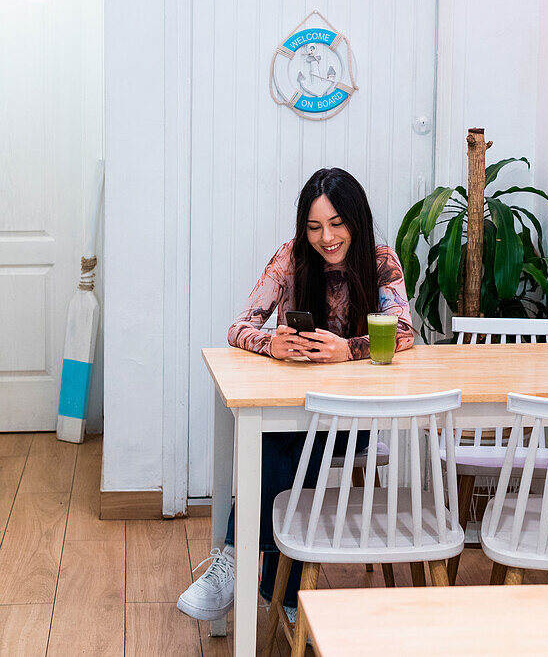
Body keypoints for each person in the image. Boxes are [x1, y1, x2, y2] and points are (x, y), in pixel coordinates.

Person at [177, 167, 414, 623]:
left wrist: (349, 349)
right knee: (280, 435)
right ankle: (277, 587)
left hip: (352, 421)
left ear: (357, 221)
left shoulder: (381, 261)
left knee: (278, 443)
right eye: (314, 227)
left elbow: (404, 331)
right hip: (297, 414)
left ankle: (241, 564)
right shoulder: (290, 258)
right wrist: (272, 342)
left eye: (336, 224)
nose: (326, 238)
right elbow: (238, 326)